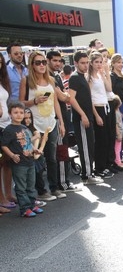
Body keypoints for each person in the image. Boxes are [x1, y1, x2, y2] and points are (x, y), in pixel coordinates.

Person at [20, 51, 66, 200]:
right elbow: (21, 103)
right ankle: (41, 191)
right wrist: (34, 101)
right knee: (37, 158)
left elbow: (56, 102)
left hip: (51, 123)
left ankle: (54, 187)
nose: (41, 65)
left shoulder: (51, 80)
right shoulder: (26, 80)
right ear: (32, 65)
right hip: (34, 125)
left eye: (43, 62)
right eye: (38, 62)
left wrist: (61, 122)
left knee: (52, 157)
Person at [1, 101, 43, 218]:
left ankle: (31, 205)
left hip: (29, 162)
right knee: (21, 187)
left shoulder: (25, 128)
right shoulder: (9, 129)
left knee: (30, 185)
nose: (19, 115)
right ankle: (24, 209)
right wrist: (12, 155)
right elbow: (4, 145)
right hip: (19, 163)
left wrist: (35, 149)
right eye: (15, 112)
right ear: (10, 114)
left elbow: (28, 143)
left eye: (21, 112)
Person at [47, 50, 81, 192]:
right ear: (47, 60)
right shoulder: (49, 77)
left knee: (63, 151)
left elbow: (65, 97)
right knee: (60, 152)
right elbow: (63, 97)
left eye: (60, 61)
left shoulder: (56, 76)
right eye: (54, 60)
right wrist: (66, 95)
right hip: (55, 119)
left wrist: (65, 95)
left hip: (62, 118)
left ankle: (63, 182)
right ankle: (62, 184)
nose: (58, 63)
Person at [68, 51, 103, 185]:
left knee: (90, 146)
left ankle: (89, 173)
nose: (85, 65)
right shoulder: (75, 77)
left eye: (86, 62)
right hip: (81, 119)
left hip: (88, 117)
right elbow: (72, 98)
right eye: (82, 63)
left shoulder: (83, 76)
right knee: (85, 148)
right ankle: (87, 176)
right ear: (75, 63)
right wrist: (82, 115)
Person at [87, 50, 114, 179]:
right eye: (96, 62)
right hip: (97, 109)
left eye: (100, 62)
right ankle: (99, 168)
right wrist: (96, 115)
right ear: (91, 63)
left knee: (107, 138)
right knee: (100, 140)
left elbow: (109, 89)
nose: (99, 64)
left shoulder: (100, 75)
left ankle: (105, 165)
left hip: (105, 107)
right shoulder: (90, 78)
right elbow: (90, 98)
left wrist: (106, 73)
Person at [0, 51, 16, 213]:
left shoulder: (3, 81)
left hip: (7, 125)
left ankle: (8, 194)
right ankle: (1, 199)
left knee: (7, 162)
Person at [113, 96, 123, 168]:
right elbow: (116, 123)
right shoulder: (115, 113)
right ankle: (118, 161)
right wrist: (118, 134)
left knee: (118, 148)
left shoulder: (116, 111)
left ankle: (118, 160)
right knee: (117, 149)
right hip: (118, 132)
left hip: (120, 131)